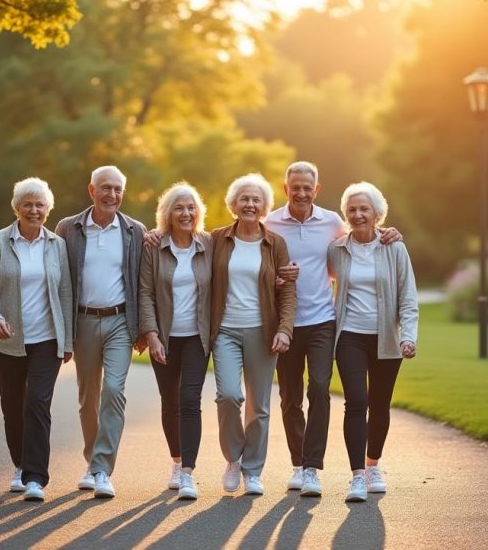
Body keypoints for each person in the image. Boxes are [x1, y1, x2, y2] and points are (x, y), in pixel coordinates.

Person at [265, 161, 401, 496]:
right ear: (286, 189)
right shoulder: (269, 223)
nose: (300, 192)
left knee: (320, 389)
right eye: (294, 187)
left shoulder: (331, 223)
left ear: (317, 189)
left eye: (306, 187)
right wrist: (277, 278)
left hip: (323, 320)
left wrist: (388, 233)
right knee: (289, 397)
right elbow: (243, 256)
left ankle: (312, 468)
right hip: (285, 324)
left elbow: (362, 239)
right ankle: (298, 463)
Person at [0, 177, 73, 503]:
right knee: (12, 406)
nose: (34, 210)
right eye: (28, 205)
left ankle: (35, 477)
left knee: (37, 403)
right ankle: (19, 465)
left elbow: (65, 293)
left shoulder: (57, 245)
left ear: (48, 209)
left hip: (47, 339)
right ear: (17, 208)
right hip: (7, 340)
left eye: (40, 205)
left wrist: (67, 340)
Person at [55, 165, 146, 499]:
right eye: (105, 188)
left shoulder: (135, 231)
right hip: (82, 322)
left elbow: (143, 281)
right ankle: (91, 461)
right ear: (92, 191)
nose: (112, 195)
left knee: (114, 391)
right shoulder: (68, 228)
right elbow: (58, 278)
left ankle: (102, 469)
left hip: (121, 321)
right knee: (88, 397)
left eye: (118, 189)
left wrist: (143, 329)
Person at [327, 182, 418, 503]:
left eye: (364, 209)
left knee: (380, 405)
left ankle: (373, 465)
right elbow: (316, 276)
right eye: (352, 209)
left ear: (378, 214)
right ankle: (356, 476)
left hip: (386, 340)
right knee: (356, 402)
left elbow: (408, 297)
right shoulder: (337, 249)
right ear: (345, 214)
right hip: (349, 336)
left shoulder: (394, 248)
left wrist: (408, 336)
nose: (358, 214)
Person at [211, 173, 296, 496]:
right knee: (229, 396)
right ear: (234, 204)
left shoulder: (275, 243)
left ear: (264, 207)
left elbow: (288, 291)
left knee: (259, 406)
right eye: (244, 199)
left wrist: (285, 330)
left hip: (263, 332)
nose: (249, 204)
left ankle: (253, 470)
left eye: (255, 199)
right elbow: (184, 241)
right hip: (225, 331)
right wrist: (153, 237)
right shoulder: (217, 238)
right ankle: (233, 459)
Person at [138, 182, 213, 500]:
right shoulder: (153, 246)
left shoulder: (210, 244)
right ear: (168, 213)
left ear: (199, 213)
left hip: (197, 337)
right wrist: (151, 334)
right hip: (165, 337)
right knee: (170, 401)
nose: (186, 213)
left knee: (189, 399)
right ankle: (176, 460)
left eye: (191, 207)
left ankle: (187, 474)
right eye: (179, 208)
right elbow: (145, 292)